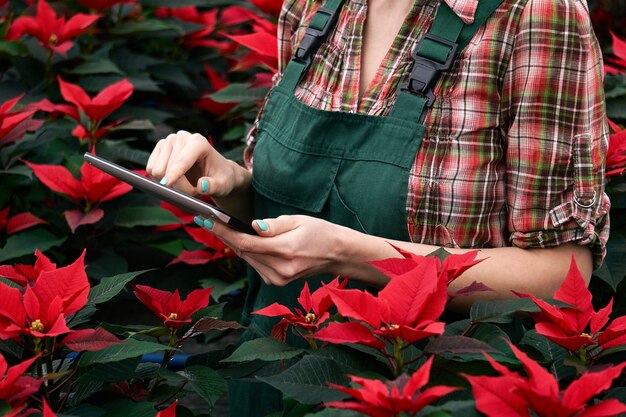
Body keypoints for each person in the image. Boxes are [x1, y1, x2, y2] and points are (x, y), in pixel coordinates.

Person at [147, 0, 609, 413]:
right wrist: (227, 185)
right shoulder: (313, 7)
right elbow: (287, 210)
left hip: (422, 389)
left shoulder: (537, 13)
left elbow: (561, 272)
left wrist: (352, 255)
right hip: (274, 377)